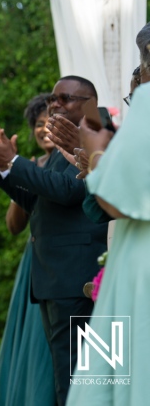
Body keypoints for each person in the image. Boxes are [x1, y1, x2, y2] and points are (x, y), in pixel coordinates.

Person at [0, 76, 109, 406]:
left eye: (64, 98)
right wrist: (6, 167)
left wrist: (14, 162)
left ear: (89, 102)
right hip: (56, 279)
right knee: (67, 376)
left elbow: (69, 191)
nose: (54, 105)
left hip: (79, 279)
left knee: (86, 376)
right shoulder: (62, 148)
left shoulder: (99, 133)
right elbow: (39, 202)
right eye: (51, 99)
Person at [65, 23, 150, 405]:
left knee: (121, 374)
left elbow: (120, 201)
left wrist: (98, 155)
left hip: (139, 263)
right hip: (121, 252)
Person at [0, 94, 55, 406]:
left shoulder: (74, 163)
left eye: (51, 122)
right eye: (39, 124)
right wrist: (17, 175)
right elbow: (14, 226)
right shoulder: (31, 166)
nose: (45, 129)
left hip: (62, 266)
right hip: (34, 264)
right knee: (30, 344)